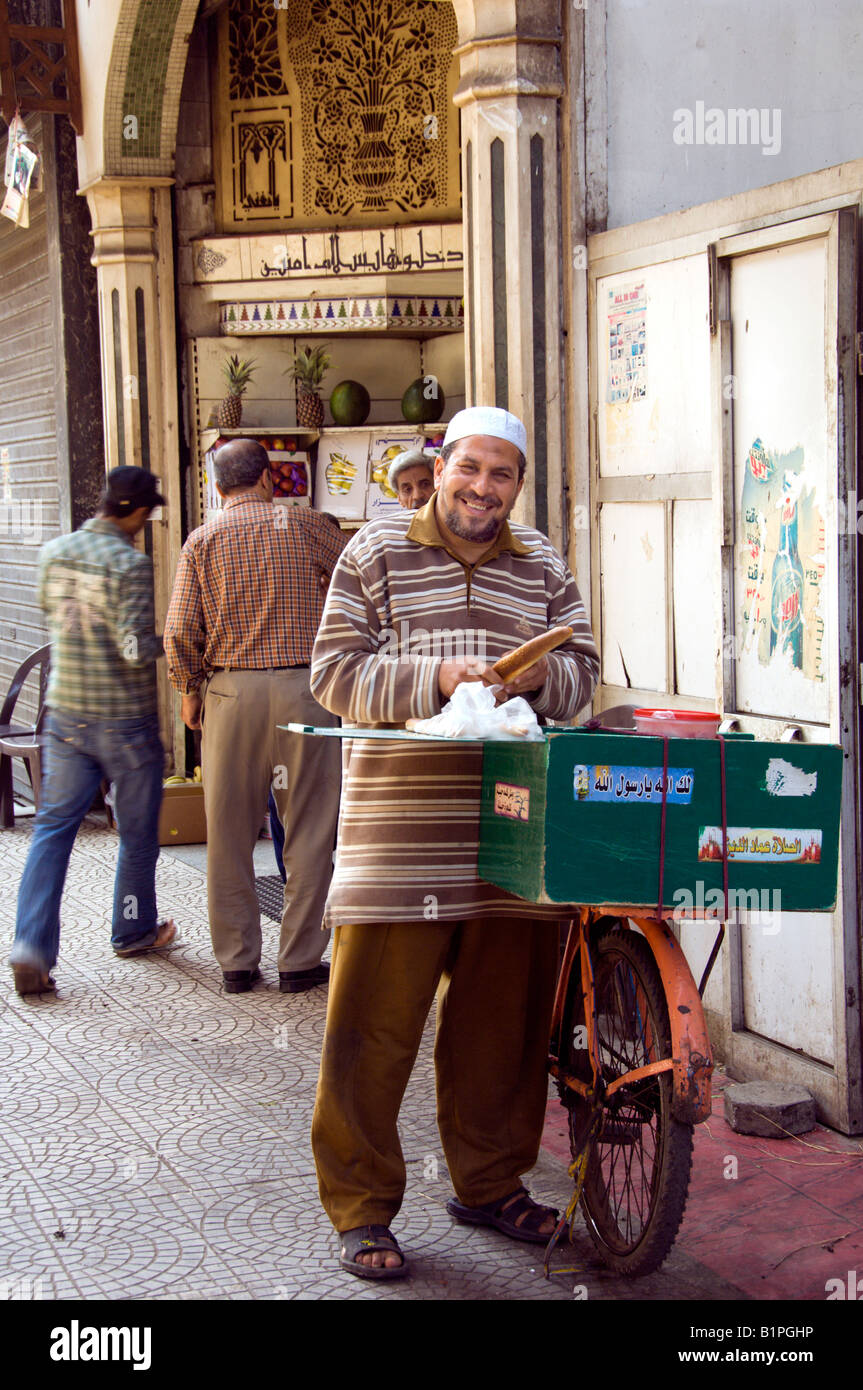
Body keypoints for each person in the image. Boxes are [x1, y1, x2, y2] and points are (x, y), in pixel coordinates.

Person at [309, 406, 600, 1279]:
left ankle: (487, 1184)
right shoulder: (375, 552)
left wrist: (545, 672)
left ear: (517, 483)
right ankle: (360, 1208)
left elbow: (584, 670)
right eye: (469, 468)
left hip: (514, 832)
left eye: (501, 474)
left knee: (501, 1031)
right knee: (373, 1030)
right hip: (399, 839)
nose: (482, 488)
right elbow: (331, 674)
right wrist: (434, 677)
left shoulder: (541, 561)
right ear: (440, 468)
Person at [163, 440, 345, 995]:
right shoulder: (308, 526)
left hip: (229, 696)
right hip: (305, 692)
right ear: (269, 480)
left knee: (228, 831)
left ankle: (238, 963)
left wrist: (189, 687)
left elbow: (177, 632)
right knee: (311, 831)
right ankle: (299, 961)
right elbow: (358, 581)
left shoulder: (201, 540)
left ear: (217, 488)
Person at [9, 466, 176, 996]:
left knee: (53, 830)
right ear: (133, 511)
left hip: (64, 716)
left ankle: (31, 946)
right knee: (137, 831)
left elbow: (51, 614)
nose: (146, 522)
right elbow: (131, 651)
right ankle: (132, 929)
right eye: (148, 513)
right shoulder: (130, 563)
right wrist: (165, 641)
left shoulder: (53, 552)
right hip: (124, 721)